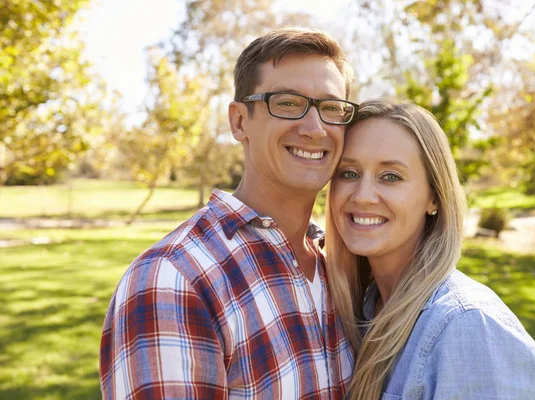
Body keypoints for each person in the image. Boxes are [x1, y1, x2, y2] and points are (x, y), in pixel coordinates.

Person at [100, 27, 358, 399]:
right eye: (287, 102)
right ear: (239, 121)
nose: (316, 129)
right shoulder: (174, 280)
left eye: (332, 109)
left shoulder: (340, 267)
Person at [325, 99, 535, 399]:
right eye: (349, 173)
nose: (363, 196)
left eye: (391, 176)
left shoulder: (469, 328)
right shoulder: (365, 309)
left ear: (434, 198)